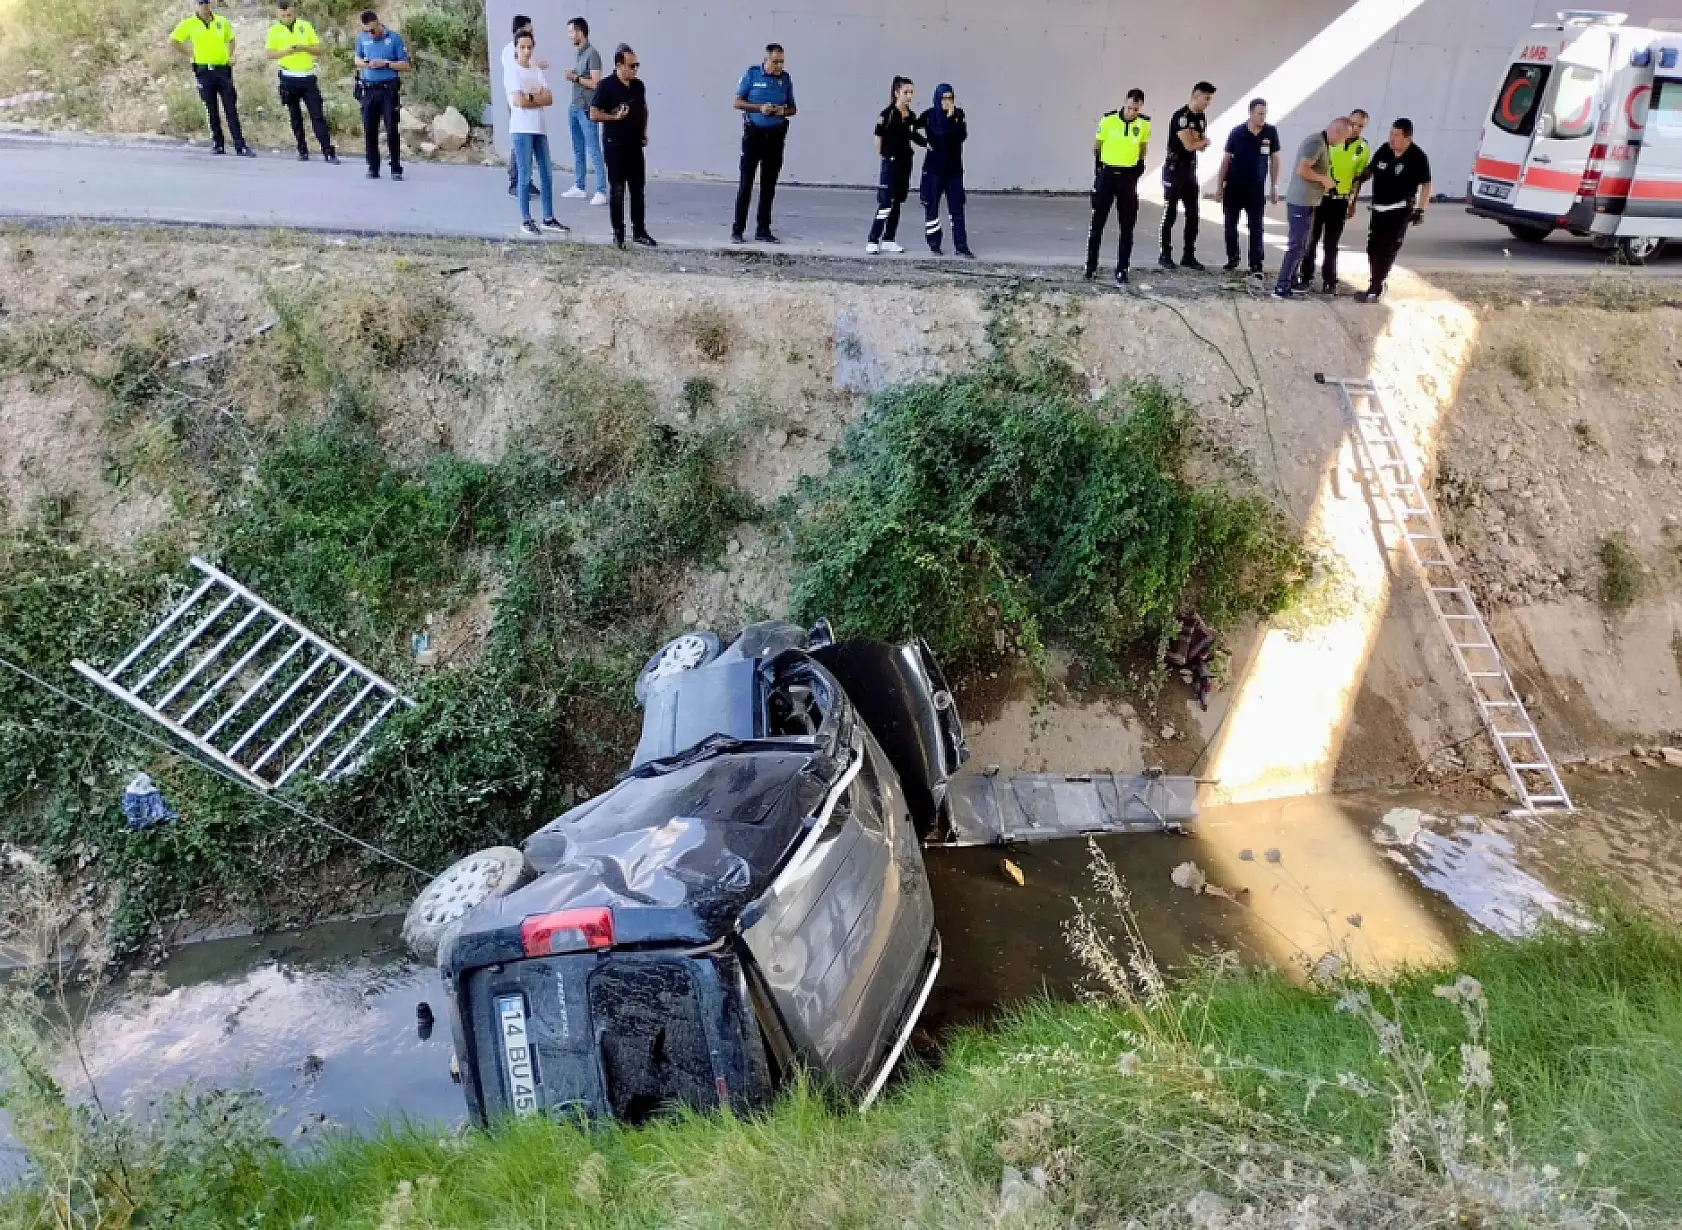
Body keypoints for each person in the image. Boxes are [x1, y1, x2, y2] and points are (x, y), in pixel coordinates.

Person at [1273, 115, 1352, 300]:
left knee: (1302, 245)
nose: (1342, 142)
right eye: (1343, 138)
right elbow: (1303, 169)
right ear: (1337, 132)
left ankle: (1291, 281)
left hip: (1308, 202)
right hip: (1301, 202)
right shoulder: (1316, 143)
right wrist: (1324, 180)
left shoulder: (1322, 142)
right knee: (1296, 246)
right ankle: (1281, 287)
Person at [1358, 118, 1432, 303]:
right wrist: (1359, 176)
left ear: (1408, 138)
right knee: (1372, 248)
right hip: (1378, 209)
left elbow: (1426, 184)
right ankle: (1377, 282)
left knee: (1387, 248)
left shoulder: (1418, 157)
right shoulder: (1384, 150)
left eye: (1396, 135)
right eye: (1390, 134)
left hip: (1400, 210)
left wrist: (1420, 209)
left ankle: (1376, 286)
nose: (1391, 138)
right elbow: (1371, 170)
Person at [591, 45, 656, 248]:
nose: (635, 69)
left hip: (635, 145)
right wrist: (614, 117)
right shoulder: (606, 86)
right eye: (631, 65)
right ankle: (618, 233)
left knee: (637, 190)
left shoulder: (638, 86)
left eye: (637, 65)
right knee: (617, 190)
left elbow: (644, 109)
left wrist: (644, 132)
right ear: (619, 65)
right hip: (615, 144)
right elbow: (593, 113)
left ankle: (639, 231)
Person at [1299, 108, 1370, 293]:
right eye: (1353, 124)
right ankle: (1305, 276)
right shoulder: (1332, 140)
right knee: (1311, 239)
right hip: (1320, 197)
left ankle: (1330, 280)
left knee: (1331, 243)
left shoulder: (1363, 148)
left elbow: (1358, 179)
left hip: (1341, 200)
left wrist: (1353, 203)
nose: (1356, 128)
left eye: (1361, 126)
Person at [169, 1, 253, 158]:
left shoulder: (221, 21)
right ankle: (218, 144)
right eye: (201, 3)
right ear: (196, 5)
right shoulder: (190, 23)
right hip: (204, 70)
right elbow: (173, 40)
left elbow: (231, 39)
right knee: (211, 108)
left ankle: (240, 145)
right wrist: (190, 53)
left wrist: (230, 56)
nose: (204, 6)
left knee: (230, 108)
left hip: (222, 70)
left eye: (206, 2)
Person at [731, 43, 796, 244]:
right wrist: (760, 108)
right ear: (766, 60)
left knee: (769, 185)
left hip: (775, 136)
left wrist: (782, 111)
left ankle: (763, 229)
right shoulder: (752, 74)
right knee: (746, 183)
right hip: (754, 134)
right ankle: (738, 229)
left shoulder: (785, 79)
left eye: (782, 62)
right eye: (775, 62)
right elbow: (737, 102)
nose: (779, 66)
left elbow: (793, 108)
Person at [1084, 88, 1150, 284]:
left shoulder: (1144, 124)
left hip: (1127, 178)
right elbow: (1097, 146)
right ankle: (1091, 266)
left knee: (1127, 226)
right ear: (1125, 103)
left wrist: (1136, 168)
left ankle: (1122, 268)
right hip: (1107, 176)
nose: (1132, 112)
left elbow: (1143, 149)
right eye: (1129, 107)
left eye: (1136, 109)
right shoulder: (1108, 120)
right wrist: (1100, 169)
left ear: (1141, 107)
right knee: (1097, 223)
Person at [506, 31, 568, 238]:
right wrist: (535, 97)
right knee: (524, 175)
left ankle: (548, 217)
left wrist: (530, 97)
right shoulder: (512, 71)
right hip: (522, 128)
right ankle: (526, 219)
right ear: (516, 48)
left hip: (539, 127)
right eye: (522, 47)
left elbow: (549, 98)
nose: (526, 51)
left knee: (546, 174)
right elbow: (519, 101)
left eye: (529, 47)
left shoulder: (536, 70)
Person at [1215, 98, 1280, 278]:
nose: (1263, 117)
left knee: (1256, 227)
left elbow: (1275, 159)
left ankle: (1256, 263)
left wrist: (1274, 185)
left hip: (1256, 188)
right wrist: (1219, 186)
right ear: (1250, 113)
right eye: (1260, 114)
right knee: (1230, 225)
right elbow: (1226, 160)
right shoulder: (1237, 132)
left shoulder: (1270, 132)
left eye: (1265, 114)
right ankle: (1233, 258)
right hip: (1234, 187)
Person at [266, 2, 336, 163]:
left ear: (294, 12)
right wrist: (287, 52)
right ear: (278, 15)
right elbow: (269, 54)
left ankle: (328, 151)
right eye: (283, 16)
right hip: (288, 77)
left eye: (289, 15)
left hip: (308, 77)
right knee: (295, 115)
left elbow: (319, 50)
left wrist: (304, 48)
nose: (287, 18)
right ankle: (302, 149)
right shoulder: (274, 30)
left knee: (317, 115)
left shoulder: (305, 26)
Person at [866, 76, 927, 254]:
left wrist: (928, 144)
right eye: (906, 92)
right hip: (891, 162)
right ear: (896, 93)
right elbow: (878, 137)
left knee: (898, 201)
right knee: (886, 202)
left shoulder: (911, 116)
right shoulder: (888, 114)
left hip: (905, 161)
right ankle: (873, 240)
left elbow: (914, 135)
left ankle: (889, 239)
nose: (909, 96)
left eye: (911, 92)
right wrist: (885, 155)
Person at [1158, 81, 1214, 271]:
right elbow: (1190, 145)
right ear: (1196, 96)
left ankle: (1188, 255)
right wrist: (1200, 142)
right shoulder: (1181, 117)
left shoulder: (1201, 117)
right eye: (1206, 99)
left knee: (1193, 213)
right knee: (1170, 213)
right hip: (1174, 169)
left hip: (1190, 170)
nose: (1208, 103)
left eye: (1210, 99)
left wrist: (1199, 142)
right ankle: (1165, 254)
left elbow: (1199, 144)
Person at [355, 10, 410, 181]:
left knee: (391, 128)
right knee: (369, 129)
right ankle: (373, 167)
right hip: (369, 89)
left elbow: (406, 65)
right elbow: (356, 59)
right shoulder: (363, 38)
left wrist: (386, 64)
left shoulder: (394, 39)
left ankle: (395, 168)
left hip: (388, 90)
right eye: (367, 31)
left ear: (378, 23)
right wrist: (366, 64)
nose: (370, 34)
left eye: (372, 30)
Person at [919, 83, 971, 257]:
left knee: (957, 209)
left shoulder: (959, 115)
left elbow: (960, 136)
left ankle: (961, 246)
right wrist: (923, 142)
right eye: (944, 98)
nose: (947, 101)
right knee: (932, 207)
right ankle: (934, 244)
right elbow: (937, 136)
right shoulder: (929, 116)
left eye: (950, 98)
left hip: (953, 170)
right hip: (934, 170)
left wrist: (951, 118)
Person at [562, 17, 606, 204]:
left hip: (587, 109)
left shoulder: (592, 54)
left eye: (571, 31)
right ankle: (579, 186)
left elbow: (596, 83)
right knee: (578, 149)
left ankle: (601, 190)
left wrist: (575, 78)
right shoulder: (578, 53)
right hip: (575, 107)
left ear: (580, 32)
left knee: (593, 149)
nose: (569, 35)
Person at [501, 15, 544, 199]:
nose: (532, 33)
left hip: (528, 100)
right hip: (517, 103)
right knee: (519, 143)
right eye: (529, 29)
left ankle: (526, 180)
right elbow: (518, 71)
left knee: (530, 142)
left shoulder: (525, 55)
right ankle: (515, 182)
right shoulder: (509, 51)